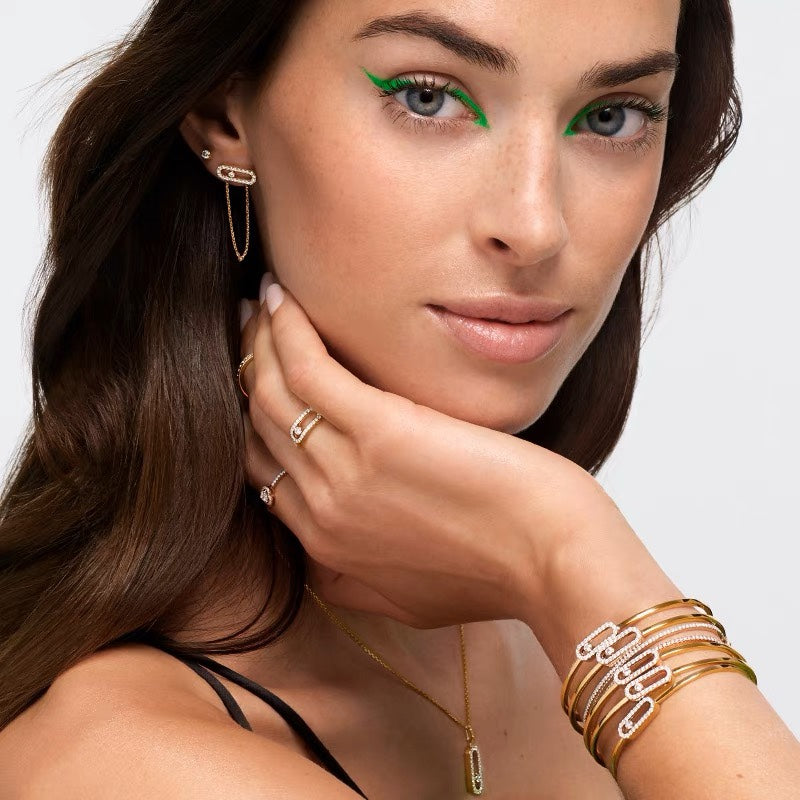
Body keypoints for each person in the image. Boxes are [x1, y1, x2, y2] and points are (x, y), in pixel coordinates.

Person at [1, 0, 798, 797]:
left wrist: (567, 569)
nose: (535, 226)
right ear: (224, 112)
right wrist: (570, 554)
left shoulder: (543, 619)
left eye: (611, 116)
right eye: (428, 97)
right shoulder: (142, 767)